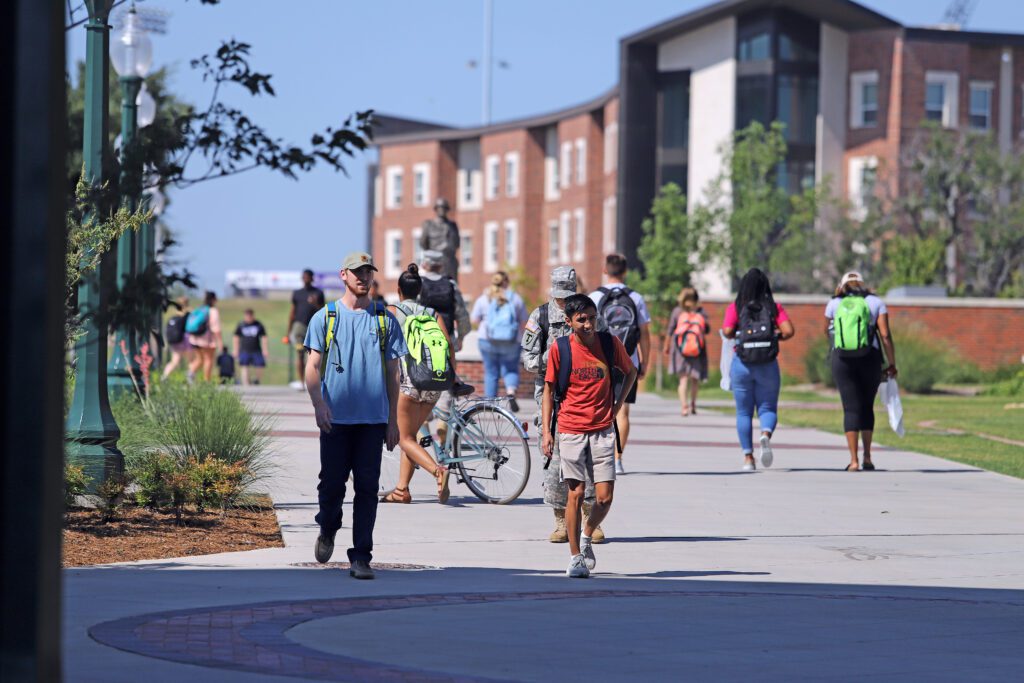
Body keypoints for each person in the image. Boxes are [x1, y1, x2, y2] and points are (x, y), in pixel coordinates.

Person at [304, 252, 405, 580]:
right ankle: (328, 527)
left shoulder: (384, 319)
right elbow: (312, 367)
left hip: (372, 421)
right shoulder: (326, 317)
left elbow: (394, 374)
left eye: (368, 272)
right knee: (332, 486)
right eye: (357, 273)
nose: (364, 278)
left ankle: (361, 556)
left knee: (367, 487)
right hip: (336, 419)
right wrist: (319, 405)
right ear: (343, 275)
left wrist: (393, 420)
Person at [542, 294, 637, 578]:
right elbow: (548, 389)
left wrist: (618, 404)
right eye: (581, 319)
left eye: (592, 318)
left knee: (605, 497)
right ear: (569, 322)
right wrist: (547, 431)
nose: (588, 324)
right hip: (570, 429)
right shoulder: (560, 348)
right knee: (576, 493)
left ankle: (586, 535)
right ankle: (575, 558)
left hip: (602, 429)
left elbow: (631, 371)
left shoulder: (609, 343)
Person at [380, 263, 472, 504]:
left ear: (399, 290)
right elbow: (449, 345)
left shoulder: (392, 311)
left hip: (408, 382)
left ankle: (437, 471)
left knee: (403, 438)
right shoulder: (432, 314)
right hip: (434, 383)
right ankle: (402, 490)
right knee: (411, 436)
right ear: (420, 290)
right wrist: (453, 376)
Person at [522, 267, 602, 543]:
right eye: (560, 297)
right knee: (554, 455)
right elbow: (528, 361)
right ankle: (560, 519)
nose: (564, 302)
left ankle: (590, 517)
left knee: (589, 455)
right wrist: (554, 356)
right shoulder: (540, 316)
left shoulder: (586, 313)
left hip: (584, 390)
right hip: (550, 392)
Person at [721, 268, 796, 471]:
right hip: (768, 365)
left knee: (743, 412)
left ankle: (748, 458)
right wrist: (773, 336)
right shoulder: (773, 307)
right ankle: (765, 434)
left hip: (742, 364)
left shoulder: (736, 307)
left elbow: (727, 331)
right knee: (768, 408)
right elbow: (789, 331)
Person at [824, 272, 898, 472]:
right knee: (867, 406)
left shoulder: (834, 304)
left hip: (842, 359)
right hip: (870, 358)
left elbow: (827, 332)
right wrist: (891, 363)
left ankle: (853, 460)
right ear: (863, 284)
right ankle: (867, 457)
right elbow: (885, 335)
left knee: (850, 408)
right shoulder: (875, 302)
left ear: (843, 285)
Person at [589, 253, 651, 475]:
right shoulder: (636, 298)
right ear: (625, 272)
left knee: (596, 408)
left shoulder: (594, 297)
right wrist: (644, 363)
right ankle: (617, 459)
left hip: (598, 362)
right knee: (622, 413)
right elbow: (644, 334)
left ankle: (596, 457)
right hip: (628, 361)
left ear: (605, 270)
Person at [418, 250, 473, 443]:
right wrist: (460, 339)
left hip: (422, 346)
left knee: (420, 396)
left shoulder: (418, 284)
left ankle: (423, 428)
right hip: (445, 344)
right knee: (445, 393)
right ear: (440, 265)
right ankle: (442, 432)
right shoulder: (450, 285)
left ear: (423, 264)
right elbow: (463, 316)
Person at [471, 271, 528, 410]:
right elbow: (524, 321)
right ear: (507, 282)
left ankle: (490, 403)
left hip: (487, 340)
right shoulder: (515, 298)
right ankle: (511, 392)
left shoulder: (484, 298)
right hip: (511, 341)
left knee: (491, 372)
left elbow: (474, 319)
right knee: (510, 369)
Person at [664, 287, 710, 416]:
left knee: (683, 379)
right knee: (695, 378)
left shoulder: (677, 311)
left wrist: (667, 345)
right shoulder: (701, 312)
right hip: (698, 349)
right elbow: (706, 329)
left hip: (680, 350)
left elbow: (671, 330)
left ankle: (684, 407)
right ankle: (693, 404)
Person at [287, 269, 326, 391]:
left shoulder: (318, 293)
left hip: (314, 326)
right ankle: (302, 383)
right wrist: (288, 331)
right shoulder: (297, 293)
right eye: (304, 277)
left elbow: (323, 310)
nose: (306, 279)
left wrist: (315, 303)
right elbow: (292, 312)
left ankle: (313, 381)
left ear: (312, 278)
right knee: (300, 354)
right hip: (299, 327)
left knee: (313, 355)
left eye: (308, 277)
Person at [419, 198, 461, 281]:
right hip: (434, 262)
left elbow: (457, 244)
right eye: (440, 207)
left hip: (449, 262)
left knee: (452, 288)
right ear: (436, 209)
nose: (442, 210)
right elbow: (423, 243)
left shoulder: (453, 225)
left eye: (444, 208)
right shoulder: (429, 224)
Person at [186, 291, 222, 382]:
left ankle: (190, 373)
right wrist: (220, 342)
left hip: (194, 339)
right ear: (214, 300)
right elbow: (215, 328)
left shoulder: (199, 309)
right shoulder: (213, 311)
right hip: (207, 340)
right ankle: (207, 381)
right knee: (208, 359)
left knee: (200, 359)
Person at [233, 308, 270, 386]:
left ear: (253, 316)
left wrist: (265, 349)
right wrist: (235, 350)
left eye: (250, 315)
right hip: (244, 349)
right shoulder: (241, 325)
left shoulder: (258, 324)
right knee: (244, 366)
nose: (248, 317)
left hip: (256, 349)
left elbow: (264, 337)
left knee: (260, 365)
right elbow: (236, 337)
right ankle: (246, 384)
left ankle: (257, 380)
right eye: (247, 315)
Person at [161, 296, 192, 380]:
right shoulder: (187, 315)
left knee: (175, 361)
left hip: (175, 342)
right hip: (185, 340)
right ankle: (190, 378)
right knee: (191, 360)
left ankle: (164, 376)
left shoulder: (174, 317)